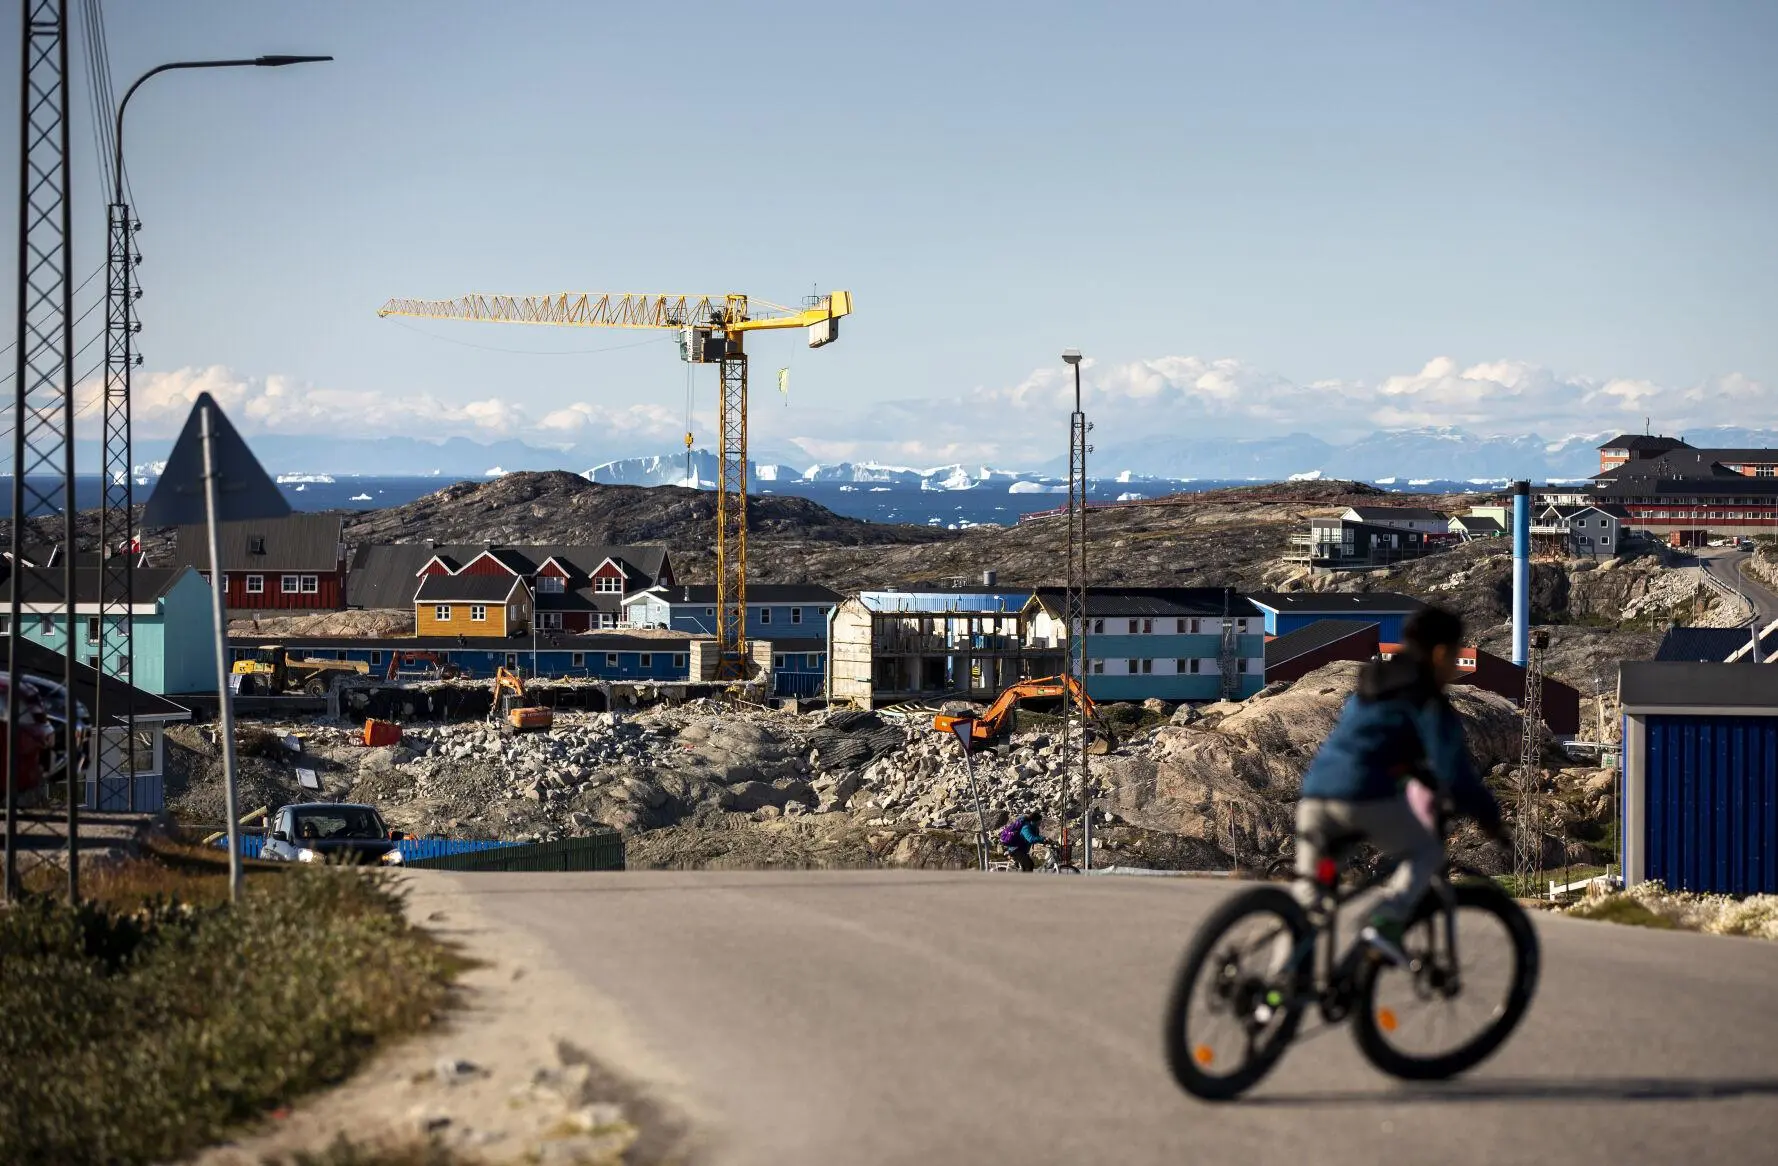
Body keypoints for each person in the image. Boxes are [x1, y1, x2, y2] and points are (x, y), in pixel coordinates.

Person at [1295, 605, 1505, 966]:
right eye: (1456, 654)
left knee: (1310, 903)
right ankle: (1385, 922)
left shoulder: (1370, 683)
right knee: (1427, 853)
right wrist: (1490, 818)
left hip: (1315, 794)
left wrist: (1415, 773)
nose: (1455, 664)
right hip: (1363, 798)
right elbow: (1454, 771)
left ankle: (1276, 994)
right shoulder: (1428, 700)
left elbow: (1377, 743)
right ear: (1440, 653)